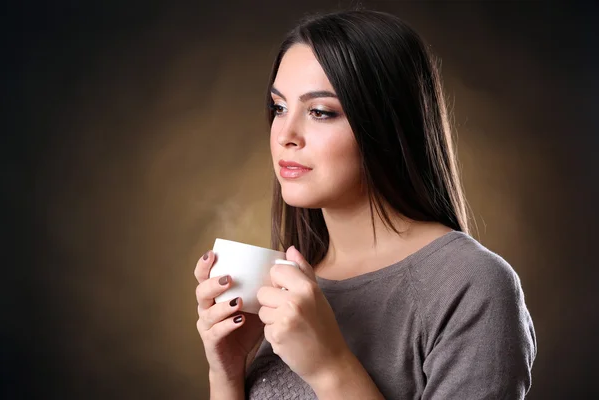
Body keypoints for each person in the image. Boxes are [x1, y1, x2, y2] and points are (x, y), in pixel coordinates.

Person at [194, 9, 536, 400]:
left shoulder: (472, 285)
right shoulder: (290, 281)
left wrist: (330, 367)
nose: (285, 135)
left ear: (387, 126)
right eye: (279, 108)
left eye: (320, 112)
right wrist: (227, 373)